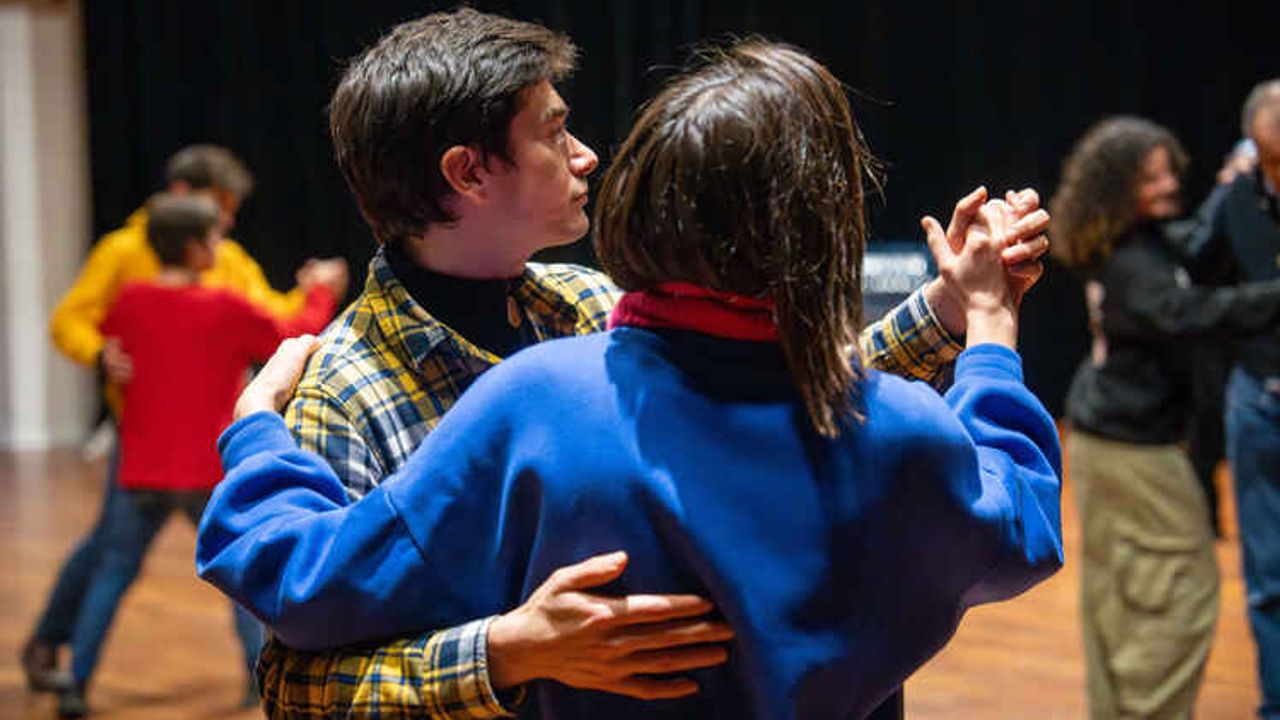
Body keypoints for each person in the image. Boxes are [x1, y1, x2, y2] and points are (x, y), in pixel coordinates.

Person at [197, 10, 1050, 718]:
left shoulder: (567, 345)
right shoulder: (345, 388)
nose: (587, 155)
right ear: (467, 172)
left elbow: (776, 400)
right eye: (555, 129)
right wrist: (505, 652)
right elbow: (294, 689)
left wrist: (946, 311)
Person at [20, 145, 348, 698]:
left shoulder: (153, 290)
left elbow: (264, 310)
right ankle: (254, 676)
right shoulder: (124, 254)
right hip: (186, 449)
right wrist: (321, 291)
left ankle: (74, 676)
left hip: (148, 452)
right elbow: (277, 329)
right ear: (183, 202)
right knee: (214, 556)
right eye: (219, 210)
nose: (227, 223)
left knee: (112, 561)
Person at [1052, 116, 1280, 719]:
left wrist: (1233, 190)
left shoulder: (1137, 241)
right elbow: (1193, 310)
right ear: (1117, 185)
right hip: (1130, 453)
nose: (1167, 183)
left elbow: (1191, 250)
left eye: (1167, 170)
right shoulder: (1130, 264)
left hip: (1111, 443)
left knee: (1122, 592)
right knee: (1184, 591)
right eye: (1150, 177)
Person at [1179, 80, 1280, 719]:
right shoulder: (1236, 195)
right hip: (1258, 401)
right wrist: (1222, 190)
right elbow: (1190, 270)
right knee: (1268, 580)